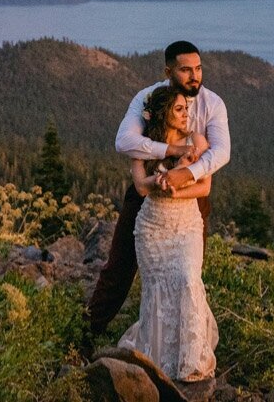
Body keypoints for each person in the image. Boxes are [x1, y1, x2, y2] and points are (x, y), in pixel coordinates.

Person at [86, 40, 231, 338]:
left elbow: (221, 152)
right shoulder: (148, 98)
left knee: (188, 276)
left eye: (198, 68)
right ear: (168, 71)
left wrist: (186, 173)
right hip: (147, 201)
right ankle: (87, 335)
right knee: (120, 268)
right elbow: (123, 141)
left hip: (191, 203)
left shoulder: (212, 104)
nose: (195, 76)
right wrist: (170, 150)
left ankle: (183, 343)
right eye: (186, 70)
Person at [114, 85, 219, 383]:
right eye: (179, 109)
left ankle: (191, 361)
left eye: (187, 109)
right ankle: (159, 359)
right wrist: (162, 180)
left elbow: (204, 187)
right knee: (157, 289)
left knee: (187, 279)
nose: (187, 115)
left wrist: (175, 189)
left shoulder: (196, 140)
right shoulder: (144, 144)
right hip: (152, 228)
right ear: (163, 113)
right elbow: (140, 187)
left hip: (186, 224)